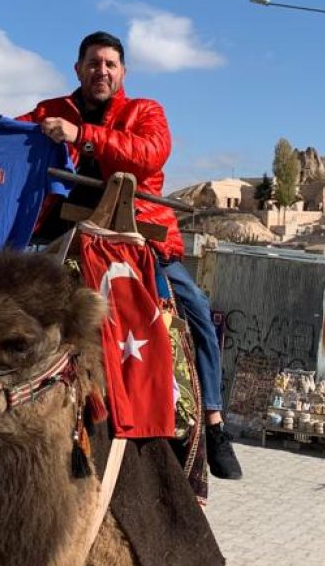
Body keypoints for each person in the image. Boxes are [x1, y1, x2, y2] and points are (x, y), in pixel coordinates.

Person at [19, 31, 242, 480]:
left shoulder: (145, 112)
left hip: (138, 240)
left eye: (110, 64)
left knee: (196, 311)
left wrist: (82, 135)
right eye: (94, 62)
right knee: (9, 309)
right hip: (68, 236)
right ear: (78, 68)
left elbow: (149, 154)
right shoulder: (49, 112)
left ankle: (214, 421)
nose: (101, 70)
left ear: (122, 73)